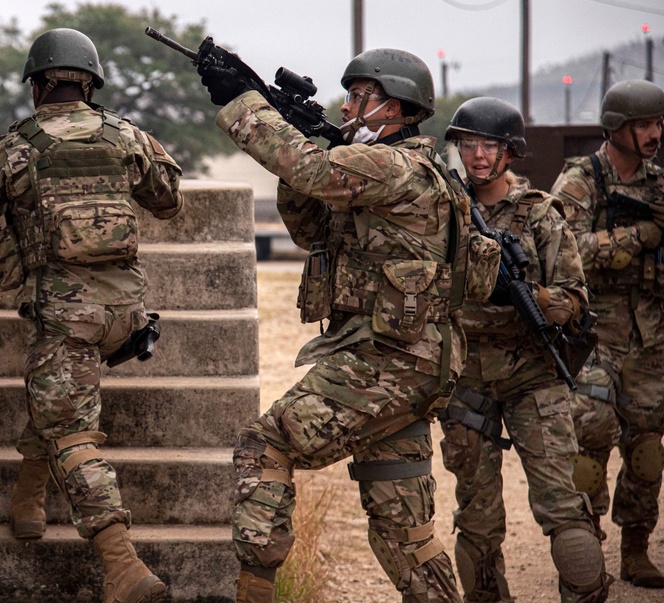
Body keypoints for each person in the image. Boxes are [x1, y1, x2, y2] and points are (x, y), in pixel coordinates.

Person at [198, 47, 501, 603]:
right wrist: (296, 136)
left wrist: (246, 105)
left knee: (265, 445)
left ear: (400, 109)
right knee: (402, 528)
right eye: (349, 95)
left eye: (362, 97)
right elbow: (311, 225)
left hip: (388, 364)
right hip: (407, 363)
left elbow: (310, 167)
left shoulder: (397, 166)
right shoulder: (392, 169)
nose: (347, 106)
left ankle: (254, 593)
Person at [0, 27, 183, 603]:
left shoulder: (12, 148)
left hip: (66, 319)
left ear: (37, 85)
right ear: (90, 81)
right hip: (126, 316)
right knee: (54, 402)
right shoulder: (128, 136)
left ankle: (122, 565)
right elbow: (168, 201)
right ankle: (28, 505)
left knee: (72, 433)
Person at [437, 97, 611, 602]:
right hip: (467, 378)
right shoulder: (447, 210)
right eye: (468, 144)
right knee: (476, 517)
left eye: (488, 144)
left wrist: (529, 296)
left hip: (533, 375)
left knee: (562, 507)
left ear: (509, 151)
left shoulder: (540, 214)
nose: (477, 154)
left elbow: (577, 299)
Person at [550, 79, 664, 589]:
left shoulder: (659, 185)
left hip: (650, 332)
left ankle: (635, 549)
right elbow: (560, 247)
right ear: (617, 128)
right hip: (593, 331)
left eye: (658, 123)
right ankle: (586, 545)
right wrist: (638, 235)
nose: (654, 133)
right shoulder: (581, 181)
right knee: (591, 432)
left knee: (646, 447)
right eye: (643, 124)